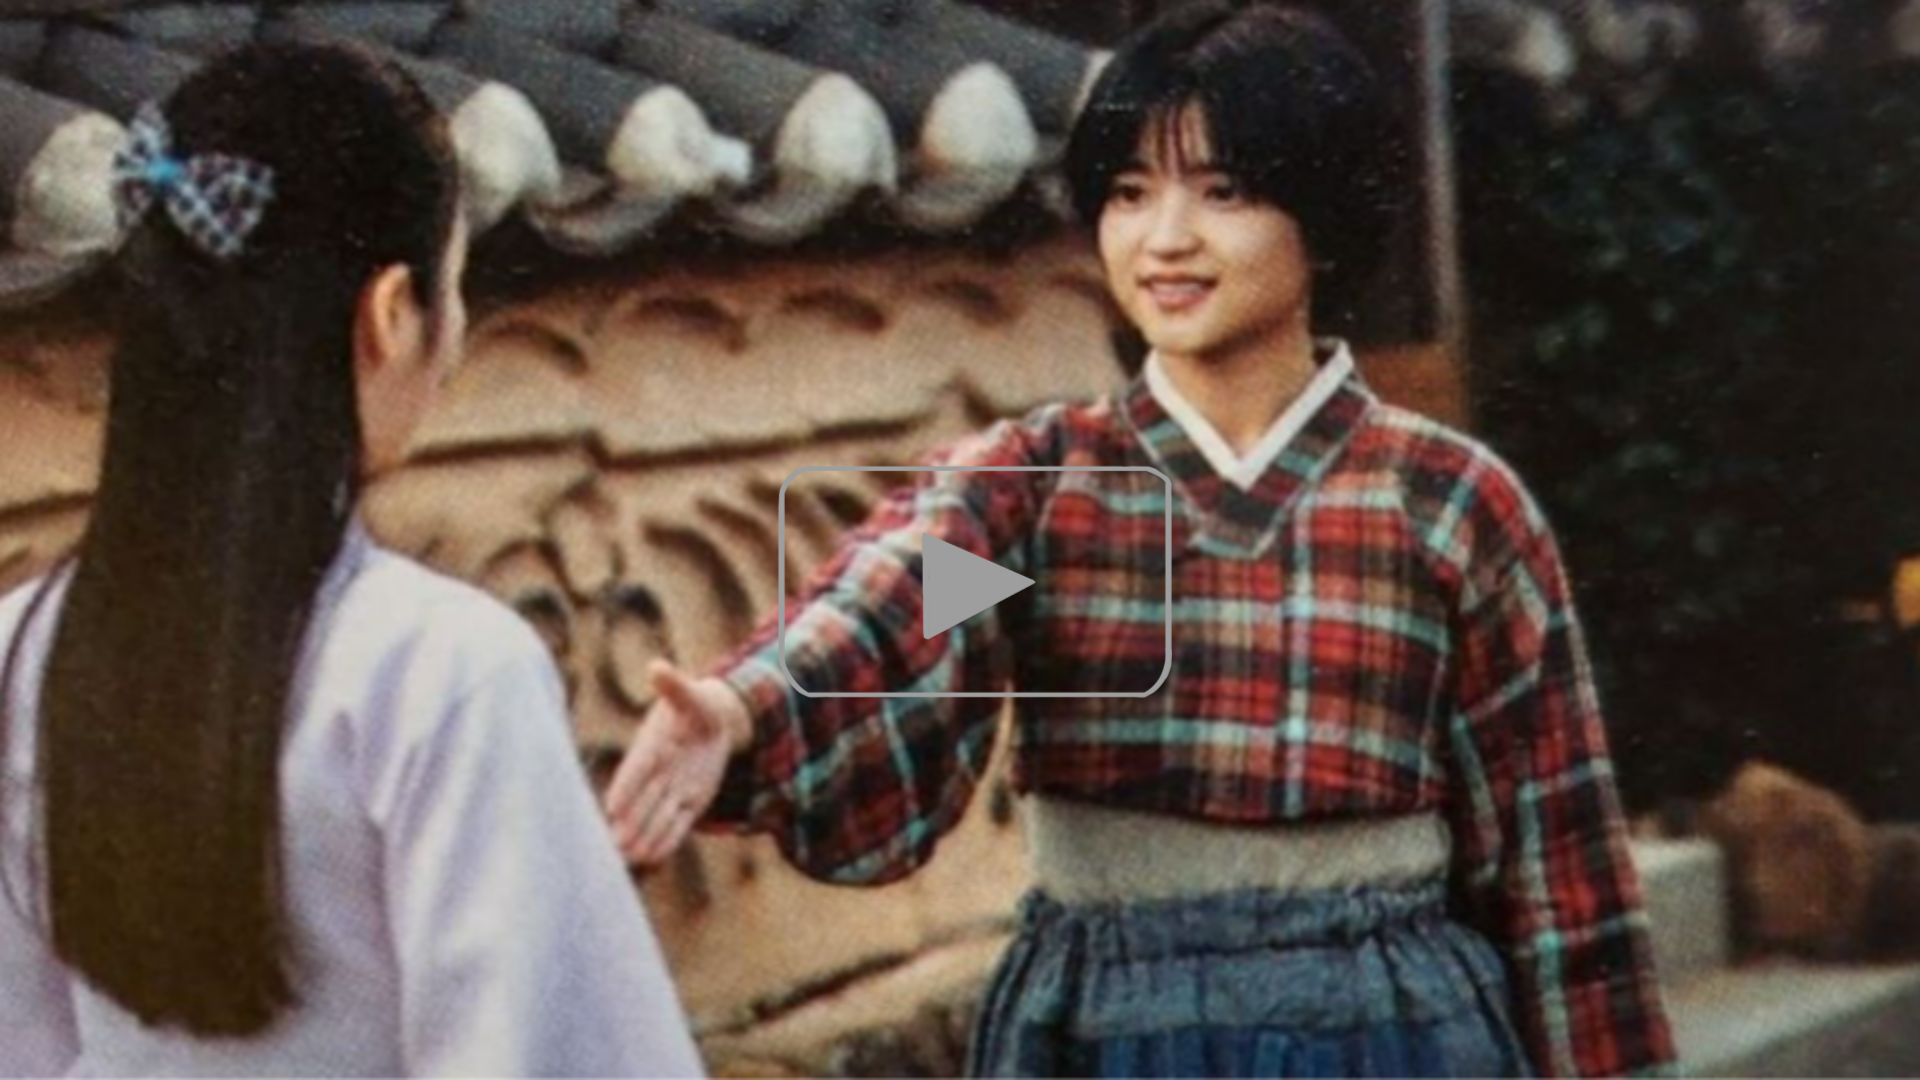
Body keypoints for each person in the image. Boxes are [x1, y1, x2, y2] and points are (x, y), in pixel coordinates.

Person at [606, 3, 1676, 1077]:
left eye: (1222, 192)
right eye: (1128, 193)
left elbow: (1560, 862)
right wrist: (749, 706)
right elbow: (900, 604)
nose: (1164, 238)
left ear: (1325, 214)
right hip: (1110, 1024)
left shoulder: (1450, 502)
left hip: (1390, 1023)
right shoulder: (1042, 503)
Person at [0, 41, 704, 1078]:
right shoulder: (448, 673)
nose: (453, 344)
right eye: (454, 291)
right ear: (389, 314)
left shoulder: (20, 650)